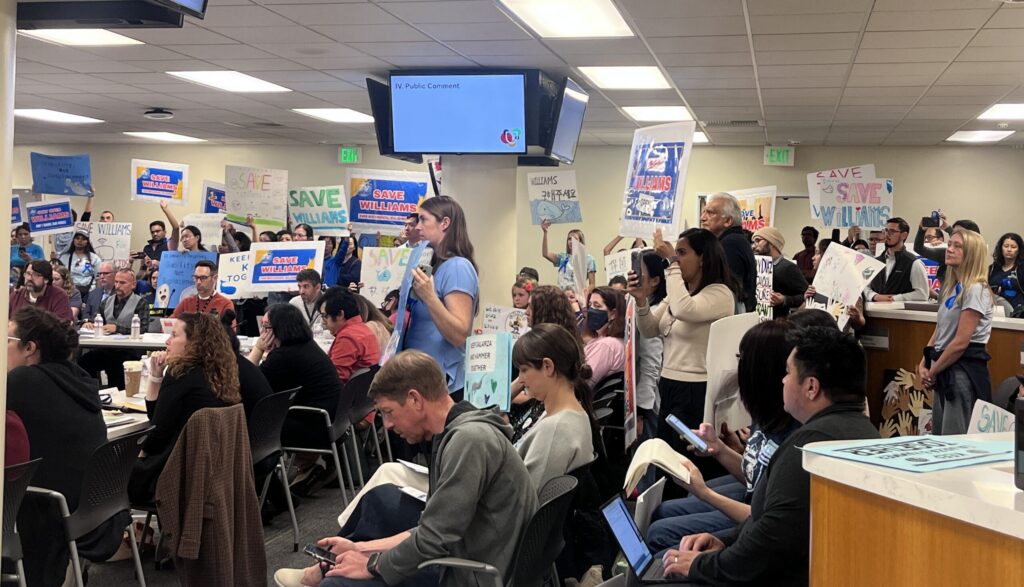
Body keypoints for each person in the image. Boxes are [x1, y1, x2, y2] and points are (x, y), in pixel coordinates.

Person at [274, 350, 538, 587]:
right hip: (470, 557)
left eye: (388, 411)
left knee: (339, 583)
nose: (387, 424)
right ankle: (330, 566)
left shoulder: (469, 441)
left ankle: (324, 575)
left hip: (472, 574)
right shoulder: (461, 431)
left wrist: (371, 564)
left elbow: (433, 540)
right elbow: (433, 529)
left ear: (415, 400)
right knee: (378, 505)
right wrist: (361, 549)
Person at [661, 326, 879, 585]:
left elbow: (771, 540)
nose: (783, 381)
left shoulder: (808, 445)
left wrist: (704, 565)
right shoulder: (860, 430)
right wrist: (726, 543)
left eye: (788, 373)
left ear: (811, 387)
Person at [646, 321, 800, 553]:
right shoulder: (766, 413)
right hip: (753, 508)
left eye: (741, 358)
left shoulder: (792, 430)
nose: (736, 366)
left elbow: (764, 518)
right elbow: (756, 475)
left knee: (661, 536)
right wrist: (719, 449)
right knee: (663, 513)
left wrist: (705, 493)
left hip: (755, 521)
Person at [7, 307, 114, 586]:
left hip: (47, 514)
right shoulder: (78, 378)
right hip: (95, 510)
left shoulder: (22, 381)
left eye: (6, 341)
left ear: (29, 348)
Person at [629, 228, 736, 459]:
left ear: (703, 258)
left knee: (685, 458)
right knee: (666, 456)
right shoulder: (679, 292)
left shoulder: (720, 294)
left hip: (696, 388)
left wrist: (669, 264)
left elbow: (684, 309)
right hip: (669, 384)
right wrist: (640, 300)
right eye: (675, 252)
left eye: (681, 252)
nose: (676, 258)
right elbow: (649, 329)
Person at [128, 313, 241, 503]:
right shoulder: (219, 373)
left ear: (193, 342)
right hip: (207, 472)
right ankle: (140, 531)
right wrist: (156, 376)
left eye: (174, 335)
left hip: (172, 475)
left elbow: (154, 439)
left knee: (107, 474)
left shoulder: (180, 374)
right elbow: (159, 421)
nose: (167, 341)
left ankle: (133, 530)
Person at [249, 303, 342, 485]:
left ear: (279, 329)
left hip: (315, 428)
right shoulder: (307, 345)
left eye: (267, 327)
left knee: (252, 429)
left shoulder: (284, 357)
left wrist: (259, 349)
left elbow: (249, 383)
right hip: (330, 421)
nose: (262, 332)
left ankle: (269, 490)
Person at [918, 228, 994, 435]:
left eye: (957, 246)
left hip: (962, 370)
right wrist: (924, 362)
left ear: (972, 253)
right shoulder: (953, 287)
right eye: (949, 244)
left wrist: (933, 372)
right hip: (943, 366)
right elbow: (940, 328)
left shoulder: (976, 289)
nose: (949, 249)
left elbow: (961, 342)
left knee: (955, 438)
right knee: (940, 436)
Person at [405, 196, 479, 397]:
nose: (417, 227)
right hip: (421, 374)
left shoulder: (458, 267)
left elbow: (458, 333)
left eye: (423, 220)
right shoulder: (437, 265)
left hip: (439, 381)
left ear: (445, 223)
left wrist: (429, 297)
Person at [79, 269, 150, 389]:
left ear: (133, 285)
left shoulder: (141, 303)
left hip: (129, 351)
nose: (117, 286)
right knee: (83, 362)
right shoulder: (107, 301)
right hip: (107, 348)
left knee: (117, 367)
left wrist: (118, 328)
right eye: (116, 282)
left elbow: (143, 329)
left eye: (122, 283)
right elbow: (97, 317)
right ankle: (91, 393)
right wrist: (89, 324)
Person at [700, 193, 755, 312]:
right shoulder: (733, 240)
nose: (703, 218)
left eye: (710, 213)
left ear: (728, 221)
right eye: (704, 212)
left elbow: (725, 289)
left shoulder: (730, 243)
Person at [634, 252, 667, 442]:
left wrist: (641, 412)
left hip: (650, 403)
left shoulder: (653, 314)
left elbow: (651, 364)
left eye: (640, 273)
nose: (635, 277)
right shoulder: (641, 307)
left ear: (654, 280)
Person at [319, 287, 381, 384]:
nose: (323, 322)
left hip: (347, 394)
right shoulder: (362, 329)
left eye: (324, 316)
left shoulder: (348, 337)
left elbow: (335, 379)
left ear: (340, 314)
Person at [803, 240, 866, 332]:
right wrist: (806, 300)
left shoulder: (850, 286)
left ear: (828, 256)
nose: (813, 258)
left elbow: (860, 323)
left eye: (817, 253)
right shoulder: (817, 284)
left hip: (837, 340)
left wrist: (857, 317)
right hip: (814, 337)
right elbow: (803, 315)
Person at [864, 217, 929, 302]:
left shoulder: (913, 263)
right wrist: (874, 296)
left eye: (892, 231)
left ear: (903, 235)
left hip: (899, 313)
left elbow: (922, 294)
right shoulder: (876, 261)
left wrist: (894, 298)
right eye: (886, 230)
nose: (887, 234)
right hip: (873, 312)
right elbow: (864, 286)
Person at [751, 226, 808, 318]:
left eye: (758, 240)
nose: (754, 246)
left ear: (772, 243)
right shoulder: (755, 266)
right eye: (753, 242)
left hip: (778, 323)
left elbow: (806, 295)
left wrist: (784, 299)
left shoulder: (787, 267)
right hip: (757, 320)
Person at [582, 286, 626, 386]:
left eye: (597, 306)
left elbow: (583, 383)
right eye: (590, 305)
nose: (591, 310)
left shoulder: (606, 345)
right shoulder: (611, 341)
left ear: (613, 314)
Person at [9, 260, 74, 323]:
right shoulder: (16, 296)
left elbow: (64, 326)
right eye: (28, 274)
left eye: (36, 275)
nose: (29, 278)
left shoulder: (59, 296)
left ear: (46, 279)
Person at [540, 220, 597, 291]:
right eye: (569, 239)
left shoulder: (589, 259)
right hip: (562, 295)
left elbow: (592, 284)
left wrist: (584, 293)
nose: (571, 241)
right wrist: (545, 233)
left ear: (581, 241)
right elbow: (545, 254)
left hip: (577, 295)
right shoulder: (563, 256)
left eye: (575, 239)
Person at [171, 260, 236, 319]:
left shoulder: (225, 303)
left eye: (203, 277)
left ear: (215, 278)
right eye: (196, 277)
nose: (198, 282)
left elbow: (229, 331)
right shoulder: (186, 302)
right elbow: (168, 324)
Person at [60, 228, 104, 298]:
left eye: (83, 239)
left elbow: (98, 279)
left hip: (89, 294)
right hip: (69, 293)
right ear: (73, 240)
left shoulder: (95, 259)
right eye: (77, 238)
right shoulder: (64, 257)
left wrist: (97, 296)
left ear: (87, 242)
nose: (80, 241)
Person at [988, 232, 1023, 316]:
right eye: (1006, 246)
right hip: (996, 312)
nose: (1009, 249)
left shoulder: (1021, 268)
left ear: (1019, 250)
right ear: (1001, 248)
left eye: (1013, 247)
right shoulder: (993, 268)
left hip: (1018, 313)